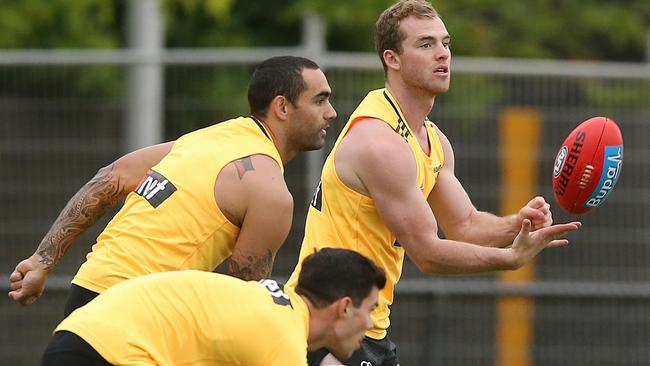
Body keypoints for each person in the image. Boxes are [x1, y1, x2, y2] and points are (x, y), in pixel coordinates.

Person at [285, 1, 582, 365]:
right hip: (321, 326)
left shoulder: (432, 139)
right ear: (392, 59)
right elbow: (427, 252)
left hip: (363, 327)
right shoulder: (380, 143)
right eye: (426, 45)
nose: (442, 54)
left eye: (445, 43)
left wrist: (519, 225)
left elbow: (465, 225)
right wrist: (510, 259)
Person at [9, 55, 337, 316]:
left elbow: (112, 176)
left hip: (87, 293)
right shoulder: (271, 193)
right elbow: (238, 305)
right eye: (320, 101)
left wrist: (42, 261)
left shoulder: (208, 138)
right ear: (282, 107)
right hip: (138, 316)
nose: (331, 113)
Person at [40, 248, 386, 366]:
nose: (371, 324)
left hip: (81, 337)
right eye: (369, 308)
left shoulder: (273, 306)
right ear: (343, 308)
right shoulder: (284, 337)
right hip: (108, 354)